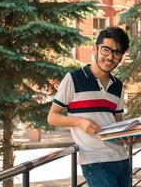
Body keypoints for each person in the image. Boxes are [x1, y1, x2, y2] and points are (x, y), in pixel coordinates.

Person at [47, 26, 133, 187]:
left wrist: (128, 135)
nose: (110, 57)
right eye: (106, 50)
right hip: (96, 161)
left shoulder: (118, 86)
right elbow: (52, 117)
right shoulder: (73, 78)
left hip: (122, 159)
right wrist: (79, 122)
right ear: (95, 49)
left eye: (117, 53)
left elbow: (117, 123)